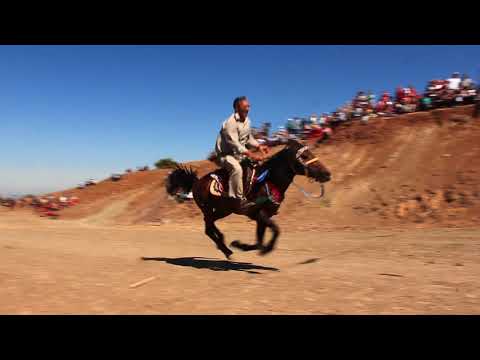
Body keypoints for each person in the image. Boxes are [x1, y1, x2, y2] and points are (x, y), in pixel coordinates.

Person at [214, 96, 269, 214]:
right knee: (237, 169)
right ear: (236, 108)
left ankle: (256, 195)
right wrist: (251, 154)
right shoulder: (230, 123)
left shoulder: (248, 121)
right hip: (225, 155)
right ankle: (237, 200)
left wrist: (259, 146)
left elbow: (248, 138)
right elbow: (235, 144)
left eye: (248, 106)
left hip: (239, 154)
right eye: (245, 106)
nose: (248, 108)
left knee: (257, 167)